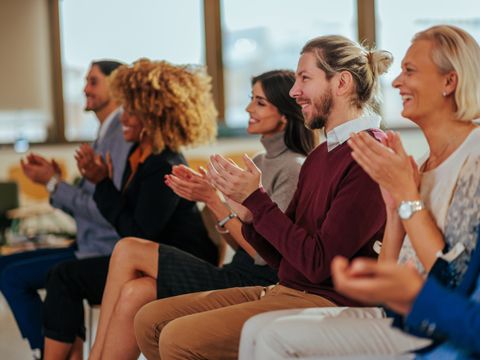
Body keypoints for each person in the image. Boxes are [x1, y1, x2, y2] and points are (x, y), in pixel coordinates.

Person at [133, 35, 393, 360]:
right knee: (149, 320)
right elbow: (283, 259)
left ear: (341, 83)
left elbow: (317, 264)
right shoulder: (322, 154)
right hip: (286, 289)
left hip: (324, 301)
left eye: (305, 78)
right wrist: (249, 214)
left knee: (177, 338)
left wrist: (257, 201)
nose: (295, 91)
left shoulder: (367, 154)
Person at [240, 24, 480, 359]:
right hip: (400, 311)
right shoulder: (422, 163)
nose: (395, 82)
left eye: (409, 71)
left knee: (273, 336)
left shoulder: (474, 160)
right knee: (257, 330)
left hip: (433, 322)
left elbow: (453, 275)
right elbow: (392, 264)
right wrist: (395, 207)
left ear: (449, 82)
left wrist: (407, 199)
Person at [86, 69, 316, 360]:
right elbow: (239, 242)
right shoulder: (260, 161)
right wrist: (209, 197)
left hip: (256, 280)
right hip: (237, 270)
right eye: (250, 100)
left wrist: (213, 199)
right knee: (136, 292)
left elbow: (264, 255)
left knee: (128, 248)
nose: (247, 108)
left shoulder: (293, 167)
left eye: (259, 102)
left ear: (284, 114)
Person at [41, 59, 219, 360]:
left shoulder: (165, 164)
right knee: (65, 275)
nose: (124, 117)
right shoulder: (142, 157)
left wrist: (102, 184)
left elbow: (136, 233)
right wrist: (100, 181)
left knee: (65, 275)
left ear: (152, 117)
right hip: (153, 258)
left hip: (182, 263)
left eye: (131, 111)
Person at [0, 60, 130, 359]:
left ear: (117, 86)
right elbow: (91, 204)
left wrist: (54, 184)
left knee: (12, 277)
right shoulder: (104, 136)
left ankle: (50, 352)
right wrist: (54, 181)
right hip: (89, 242)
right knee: (5, 266)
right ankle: (66, 348)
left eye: (93, 81)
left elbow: (107, 210)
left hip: (103, 249)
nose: (85, 88)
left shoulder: (120, 137)